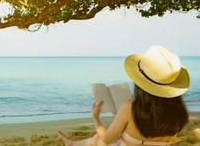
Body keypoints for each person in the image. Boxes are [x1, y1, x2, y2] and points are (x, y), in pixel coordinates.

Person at [58, 45, 190, 146]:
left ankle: (73, 144)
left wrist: (96, 118)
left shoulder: (131, 108)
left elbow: (107, 140)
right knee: (101, 137)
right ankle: (74, 144)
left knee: (100, 138)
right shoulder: (179, 114)